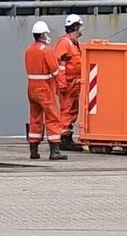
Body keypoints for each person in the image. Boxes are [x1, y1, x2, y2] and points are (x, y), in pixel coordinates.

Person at [23, 20, 66, 160]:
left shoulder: (28, 50)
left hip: (31, 88)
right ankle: (55, 150)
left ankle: (33, 150)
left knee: (35, 117)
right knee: (53, 117)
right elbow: (55, 70)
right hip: (44, 88)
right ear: (42, 35)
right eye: (46, 33)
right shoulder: (46, 51)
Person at [54, 14, 85, 152]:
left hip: (74, 84)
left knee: (71, 110)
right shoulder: (65, 43)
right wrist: (62, 84)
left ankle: (66, 136)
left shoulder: (74, 43)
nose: (82, 28)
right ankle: (63, 137)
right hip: (68, 84)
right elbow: (60, 66)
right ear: (75, 27)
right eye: (81, 26)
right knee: (67, 111)